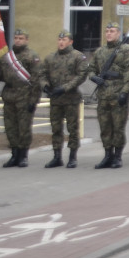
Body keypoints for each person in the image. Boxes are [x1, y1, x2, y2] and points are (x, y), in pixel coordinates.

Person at [89, 22, 129, 169]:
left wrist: (125, 92)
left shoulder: (126, 51)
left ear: (118, 33)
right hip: (103, 95)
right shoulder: (100, 51)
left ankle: (118, 156)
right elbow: (90, 69)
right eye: (107, 31)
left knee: (118, 127)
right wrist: (93, 77)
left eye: (112, 31)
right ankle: (107, 155)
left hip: (118, 94)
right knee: (105, 127)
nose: (109, 33)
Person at [38, 31, 89, 168]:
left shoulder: (78, 57)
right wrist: (45, 86)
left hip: (71, 98)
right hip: (55, 99)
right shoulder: (50, 58)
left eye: (64, 39)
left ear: (70, 41)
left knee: (72, 128)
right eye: (59, 39)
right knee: (56, 128)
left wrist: (66, 87)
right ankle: (57, 156)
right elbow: (42, 74)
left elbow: (81, 75)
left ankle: (72, 157)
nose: (61, 42)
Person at [0, 29, 42, 168]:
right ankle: (14, 154)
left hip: (25, 96)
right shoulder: (6, 56)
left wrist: (33, 101)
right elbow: (2, 76)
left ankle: (23, 156)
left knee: (23, 128)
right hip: (9, 95)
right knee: (10, 127)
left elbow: (36, 81)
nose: (18, 40)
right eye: (16, 38)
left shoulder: (31, 56)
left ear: (26, 40)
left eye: (21, 38)